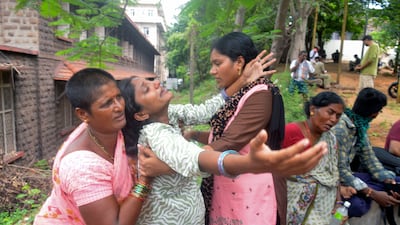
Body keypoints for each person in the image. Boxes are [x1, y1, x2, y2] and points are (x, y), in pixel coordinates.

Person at [118, 74, 328, 225]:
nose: (156, 84)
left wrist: (244, 78)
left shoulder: (169, 114)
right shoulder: (158, 134)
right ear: (141, 114)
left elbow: (203, 111)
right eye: (146, 89)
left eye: (151, 81)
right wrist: (249, 164)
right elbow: (196, 158)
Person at [33, 68, 169, 225]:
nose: (119, 107)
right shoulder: (81, 168)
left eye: (119, 97)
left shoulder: (110, 127)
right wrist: (145, 179)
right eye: (107, 104)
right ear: (83, 114)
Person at [331, 87, 400, 222]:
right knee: (357, 206)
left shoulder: (359, 126)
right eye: (379, 111)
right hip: (334, 180)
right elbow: (341, 171)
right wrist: (371, 193)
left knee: (396, 181)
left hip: (347, 176)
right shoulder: (341, 129)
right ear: (373, 113)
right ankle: (336, 218)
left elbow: (369, 158)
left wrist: (387, 180)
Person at [283, 91, 346, 224]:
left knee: (340, 221)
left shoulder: (331, 139)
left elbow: (334, 175)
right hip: (293, 201)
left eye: (338, 116)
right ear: (313, 110)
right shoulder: (292, 132)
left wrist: (339, 203)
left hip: (326, 203)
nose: (334, 119)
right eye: (330, 112)